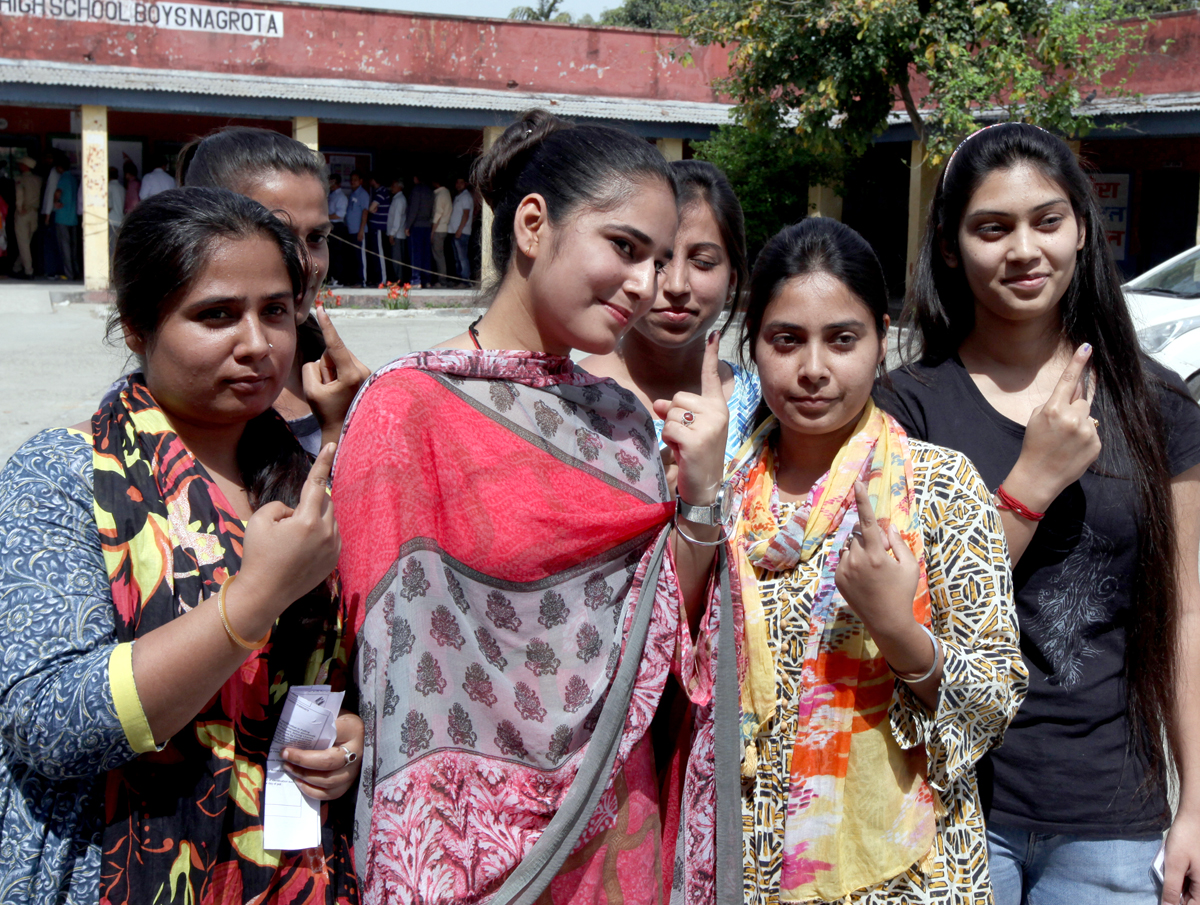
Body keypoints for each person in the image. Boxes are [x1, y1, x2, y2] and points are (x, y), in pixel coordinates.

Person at [333, 109, 741, 904]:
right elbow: (384, 667)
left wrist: (700, 495)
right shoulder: (407, 411)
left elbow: (664, 635)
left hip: (613, 825)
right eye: (624, 247)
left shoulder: (623, 422)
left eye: (658, 260)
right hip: (456, 843)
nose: (646, 285)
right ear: (532, 224)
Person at [0, 187, 361, 905]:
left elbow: (333, 682)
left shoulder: (302, 477)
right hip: (113, 865)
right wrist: (251, 601)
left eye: (276, 311)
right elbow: (49, 722)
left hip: (286, 869)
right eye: (217, 314)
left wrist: (345, 739)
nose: (257, 344)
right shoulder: (62, 475)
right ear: (137, 326)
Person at [876, 121, 1200, 905]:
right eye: (992, 228)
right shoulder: (904, 409)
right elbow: (908, 604)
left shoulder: (1159, 405)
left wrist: (1197, 800)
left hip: (1112, 818)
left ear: (1082, 229)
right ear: (950, 247)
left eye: (1046, 221)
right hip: (945, 795)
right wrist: (1031, 483)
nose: (1024, 249)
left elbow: (1187, 612)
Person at [727, 217, 1025, 904]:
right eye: (786, 340)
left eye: (842, 339)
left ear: (881, 339)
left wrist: (896, 629)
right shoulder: (722, 497)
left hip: (905, 876)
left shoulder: (940, 487)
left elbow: (994, 702)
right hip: (744, 863)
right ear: (753, 342)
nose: (813, 369)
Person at [179, 126, 372, 457]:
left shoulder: (339, 380)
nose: (305, 263)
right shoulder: (176, 402)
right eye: (278, 236)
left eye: (317, 238)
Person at [582, 160, 760, 480]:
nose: (677, 285)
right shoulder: (567, 396)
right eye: (660, 261)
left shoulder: (766, 409)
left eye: (702, 262)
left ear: (732, 281)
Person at [11, 156, 40, 278]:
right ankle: (16, 267)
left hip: (23, 213)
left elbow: (19, 194)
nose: (19, 166)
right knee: (25, 243)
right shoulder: (38, 179)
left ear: (25, 166)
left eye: (21, 164)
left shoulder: (20, 179)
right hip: (34, 214)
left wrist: (19, 208)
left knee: (23, 244)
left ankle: (29, 271)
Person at [51, 154, 79, 281]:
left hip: (62, 217)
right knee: (73, 247)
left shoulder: (63, 178)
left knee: (65, 246)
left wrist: (55, 201)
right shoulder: (73, 179)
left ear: (59, 167)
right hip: (73, 217)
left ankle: (69, 274)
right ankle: (76, 271)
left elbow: (58, 192)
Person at [404, 172, 433, 288]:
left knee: (416, 253)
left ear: (416, 178)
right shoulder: (430, 191)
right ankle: (427, 280)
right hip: (427, 225)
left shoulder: (416, 190)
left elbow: (414, 209)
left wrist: (408, 226)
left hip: (417, 225)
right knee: (426, 254)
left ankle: (416, 280)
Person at [363, 172, 392, 287]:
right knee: (375, 254)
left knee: (379, 254)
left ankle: (382, 280)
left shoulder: (381, 192)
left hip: (379, 228)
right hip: (375, 228)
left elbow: (371, 208)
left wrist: (371, 210)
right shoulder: (378, 192)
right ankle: (378, 278)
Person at [344, 170, 370, 288]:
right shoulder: (352, 194)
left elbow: (365, 212)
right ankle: (355, 280)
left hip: (359, 231)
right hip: (351, 230)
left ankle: (362, 281)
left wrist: (361, 230)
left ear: (361, 181)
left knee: (360, 257)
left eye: (355, 180)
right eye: (351, 180)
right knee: (353, 257)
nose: (352, 182)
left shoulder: (363, 194)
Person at [450, 175, 473, 285]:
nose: (458, 185)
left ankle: (465, 280)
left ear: (466, 184)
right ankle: (459, 279)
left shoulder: (466, 197)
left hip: (462, 232)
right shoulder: (458, 197)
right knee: (457, 258)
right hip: (455, 232)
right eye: (457, 182)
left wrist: (460, 230)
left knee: (462, 258)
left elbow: (466, 214)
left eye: (461, 182)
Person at [327, 173, 349, 287]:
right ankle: (332, 277)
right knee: (330, 253)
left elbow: (340, 214)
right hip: (330, 226)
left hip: (337, 226)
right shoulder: (330, 195)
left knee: (337, 253)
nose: (331, 185)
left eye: (333, 182)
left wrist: (326, 216)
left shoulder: (341, 197)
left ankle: (339, 279)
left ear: (338, 183)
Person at [431, 176, 452, 287]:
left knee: (438, 255)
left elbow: (438, 215)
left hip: (439, 229)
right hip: (444, 228)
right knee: (440, 254)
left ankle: (441, 279)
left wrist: (432, 231)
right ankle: (441, 278)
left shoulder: (440, 195)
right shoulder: (447, 193)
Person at [386, 176, 407, 284]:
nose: (391, 188)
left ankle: (398, 280)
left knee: (397, 259)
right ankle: (397, 279)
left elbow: (397, 219)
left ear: (399, 187)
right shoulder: (397, 199)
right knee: (396, 258)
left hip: (397, 234)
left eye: (394, 185)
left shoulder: (399, 200)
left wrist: (392, 234)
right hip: (397, 233)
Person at [107, 165, 125, 251]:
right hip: (120, 220)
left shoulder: (108, 187)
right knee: (116, 247)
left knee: (110, 248)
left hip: (111, 221)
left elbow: (109, 207)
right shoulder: (122, 188)